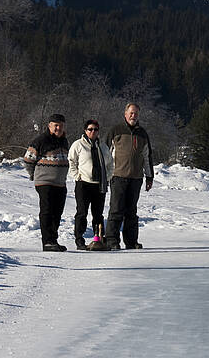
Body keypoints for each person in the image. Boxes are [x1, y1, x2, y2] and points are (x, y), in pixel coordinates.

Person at [104, 103, 153, 250]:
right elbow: (105, 153)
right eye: (131, 113)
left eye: (136, 114)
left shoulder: (143, 133)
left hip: (136, 178)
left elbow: (147, 156)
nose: (133, 116)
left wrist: (149, 177)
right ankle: (112, 240)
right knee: (116, 209)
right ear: (125, 114)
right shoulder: (115, 130)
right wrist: (105, 175)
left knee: (131, 211)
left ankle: (131, 241)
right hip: (118, 176)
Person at [24, 113, 70, 251]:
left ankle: (53, 240)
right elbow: (28, 159)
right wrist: (34, 175)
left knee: (57, 212)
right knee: (47, 211)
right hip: (44, 181)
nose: (58, 128)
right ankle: (47, 242)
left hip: (60, 182)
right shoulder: (41, 140)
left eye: (61, 125)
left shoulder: (64, 141)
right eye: (55, 125)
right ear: (49, 126)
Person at [68, 119, 114, 250]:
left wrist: (108, 176)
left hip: (99, 184)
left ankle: (98, 239)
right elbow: (71, 161)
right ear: (85, 130)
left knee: (98, 214)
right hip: (84, 184)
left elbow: (110, 164)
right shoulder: (78, 145)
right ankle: (79, 240)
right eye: (90, 129)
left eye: (95, 129)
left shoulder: (103, 146)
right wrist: (77, 176)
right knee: (82, 212)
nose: (93, 132)